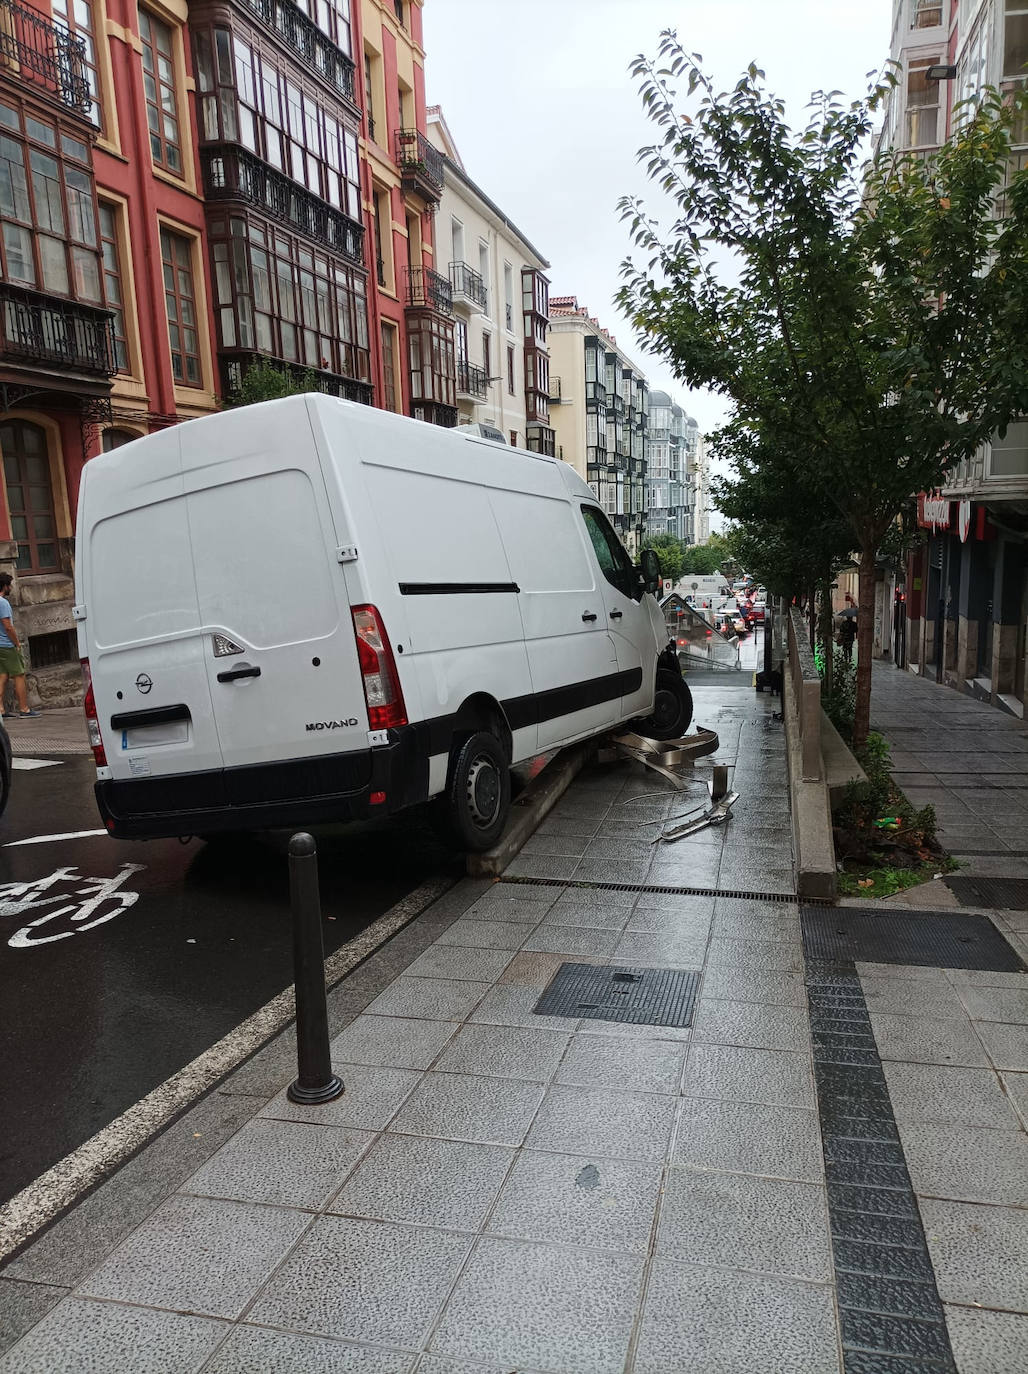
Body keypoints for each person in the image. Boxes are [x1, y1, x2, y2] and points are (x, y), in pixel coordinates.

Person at [0, 573, 40, 719]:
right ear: (4, 586)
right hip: (6, 644)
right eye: (10, 585)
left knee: (2, 676)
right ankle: (24, 708)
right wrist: (16, 643)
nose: (11, 587)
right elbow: (8, 626)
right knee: (19, 675)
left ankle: (1, 710)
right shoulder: (3, 603)